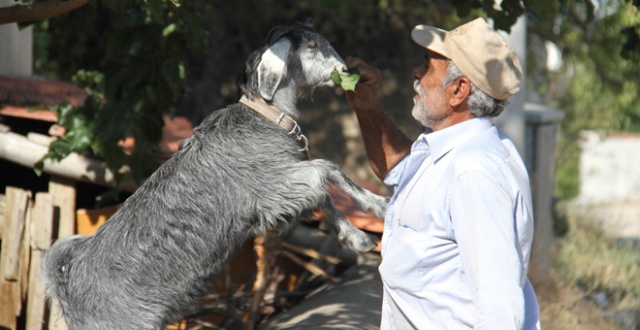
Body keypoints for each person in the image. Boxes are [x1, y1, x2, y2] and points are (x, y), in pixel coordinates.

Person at [344, 18, 541, 329]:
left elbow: (499, 308)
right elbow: (396, 168)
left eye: (428, 66)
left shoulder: (474, 172)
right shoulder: (461, 150)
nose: (416, 73)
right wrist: (367, 108)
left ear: (458, 90)